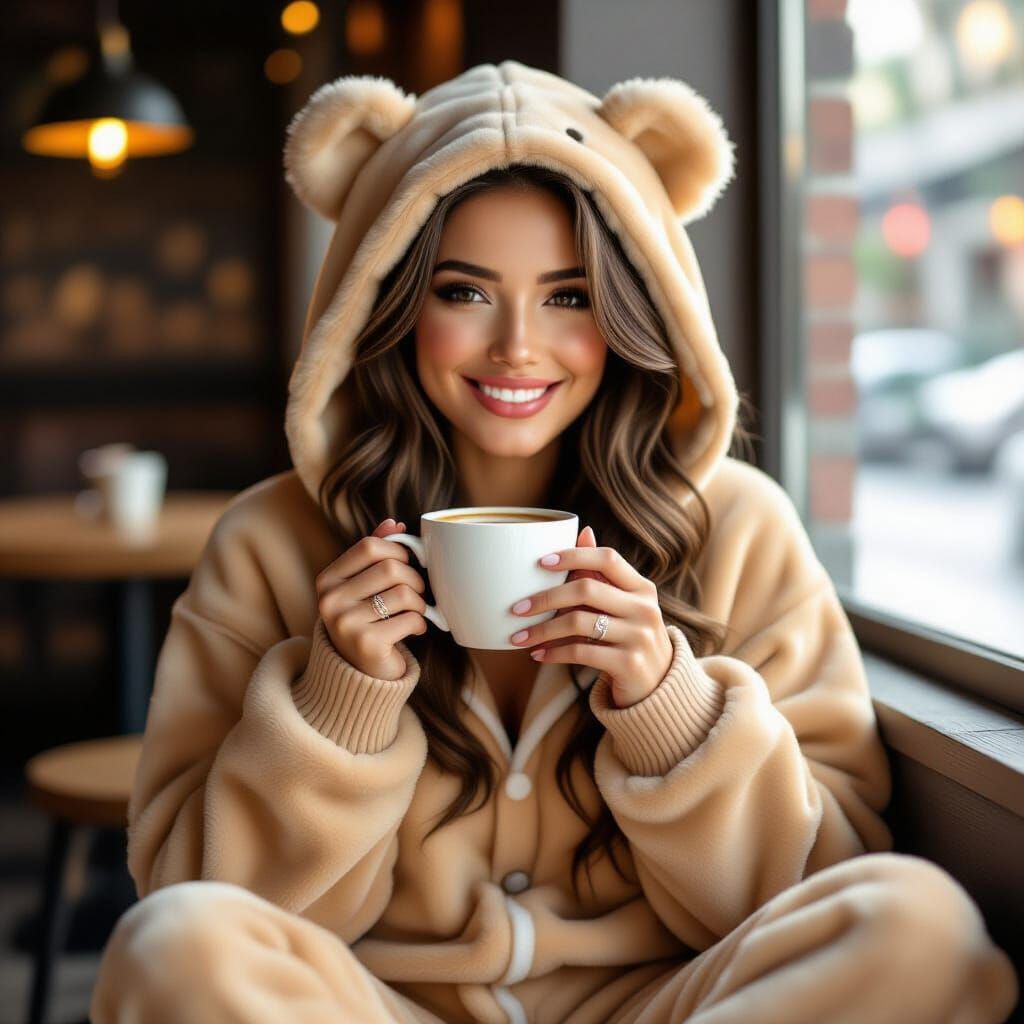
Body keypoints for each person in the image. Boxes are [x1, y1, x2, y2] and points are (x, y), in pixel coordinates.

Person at [90, 60, 1018, 1024]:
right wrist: (338, 705)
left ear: (634, 312)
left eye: (569, 297)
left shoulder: (742, 527)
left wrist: (670, 708)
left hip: (666, 1006)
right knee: (176, 945)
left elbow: (818, 881)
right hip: (376, 1007)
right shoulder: (269, 541)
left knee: (917, 925)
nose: (518, 347)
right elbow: (198, 895)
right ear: (389, 303)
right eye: (465, 292)